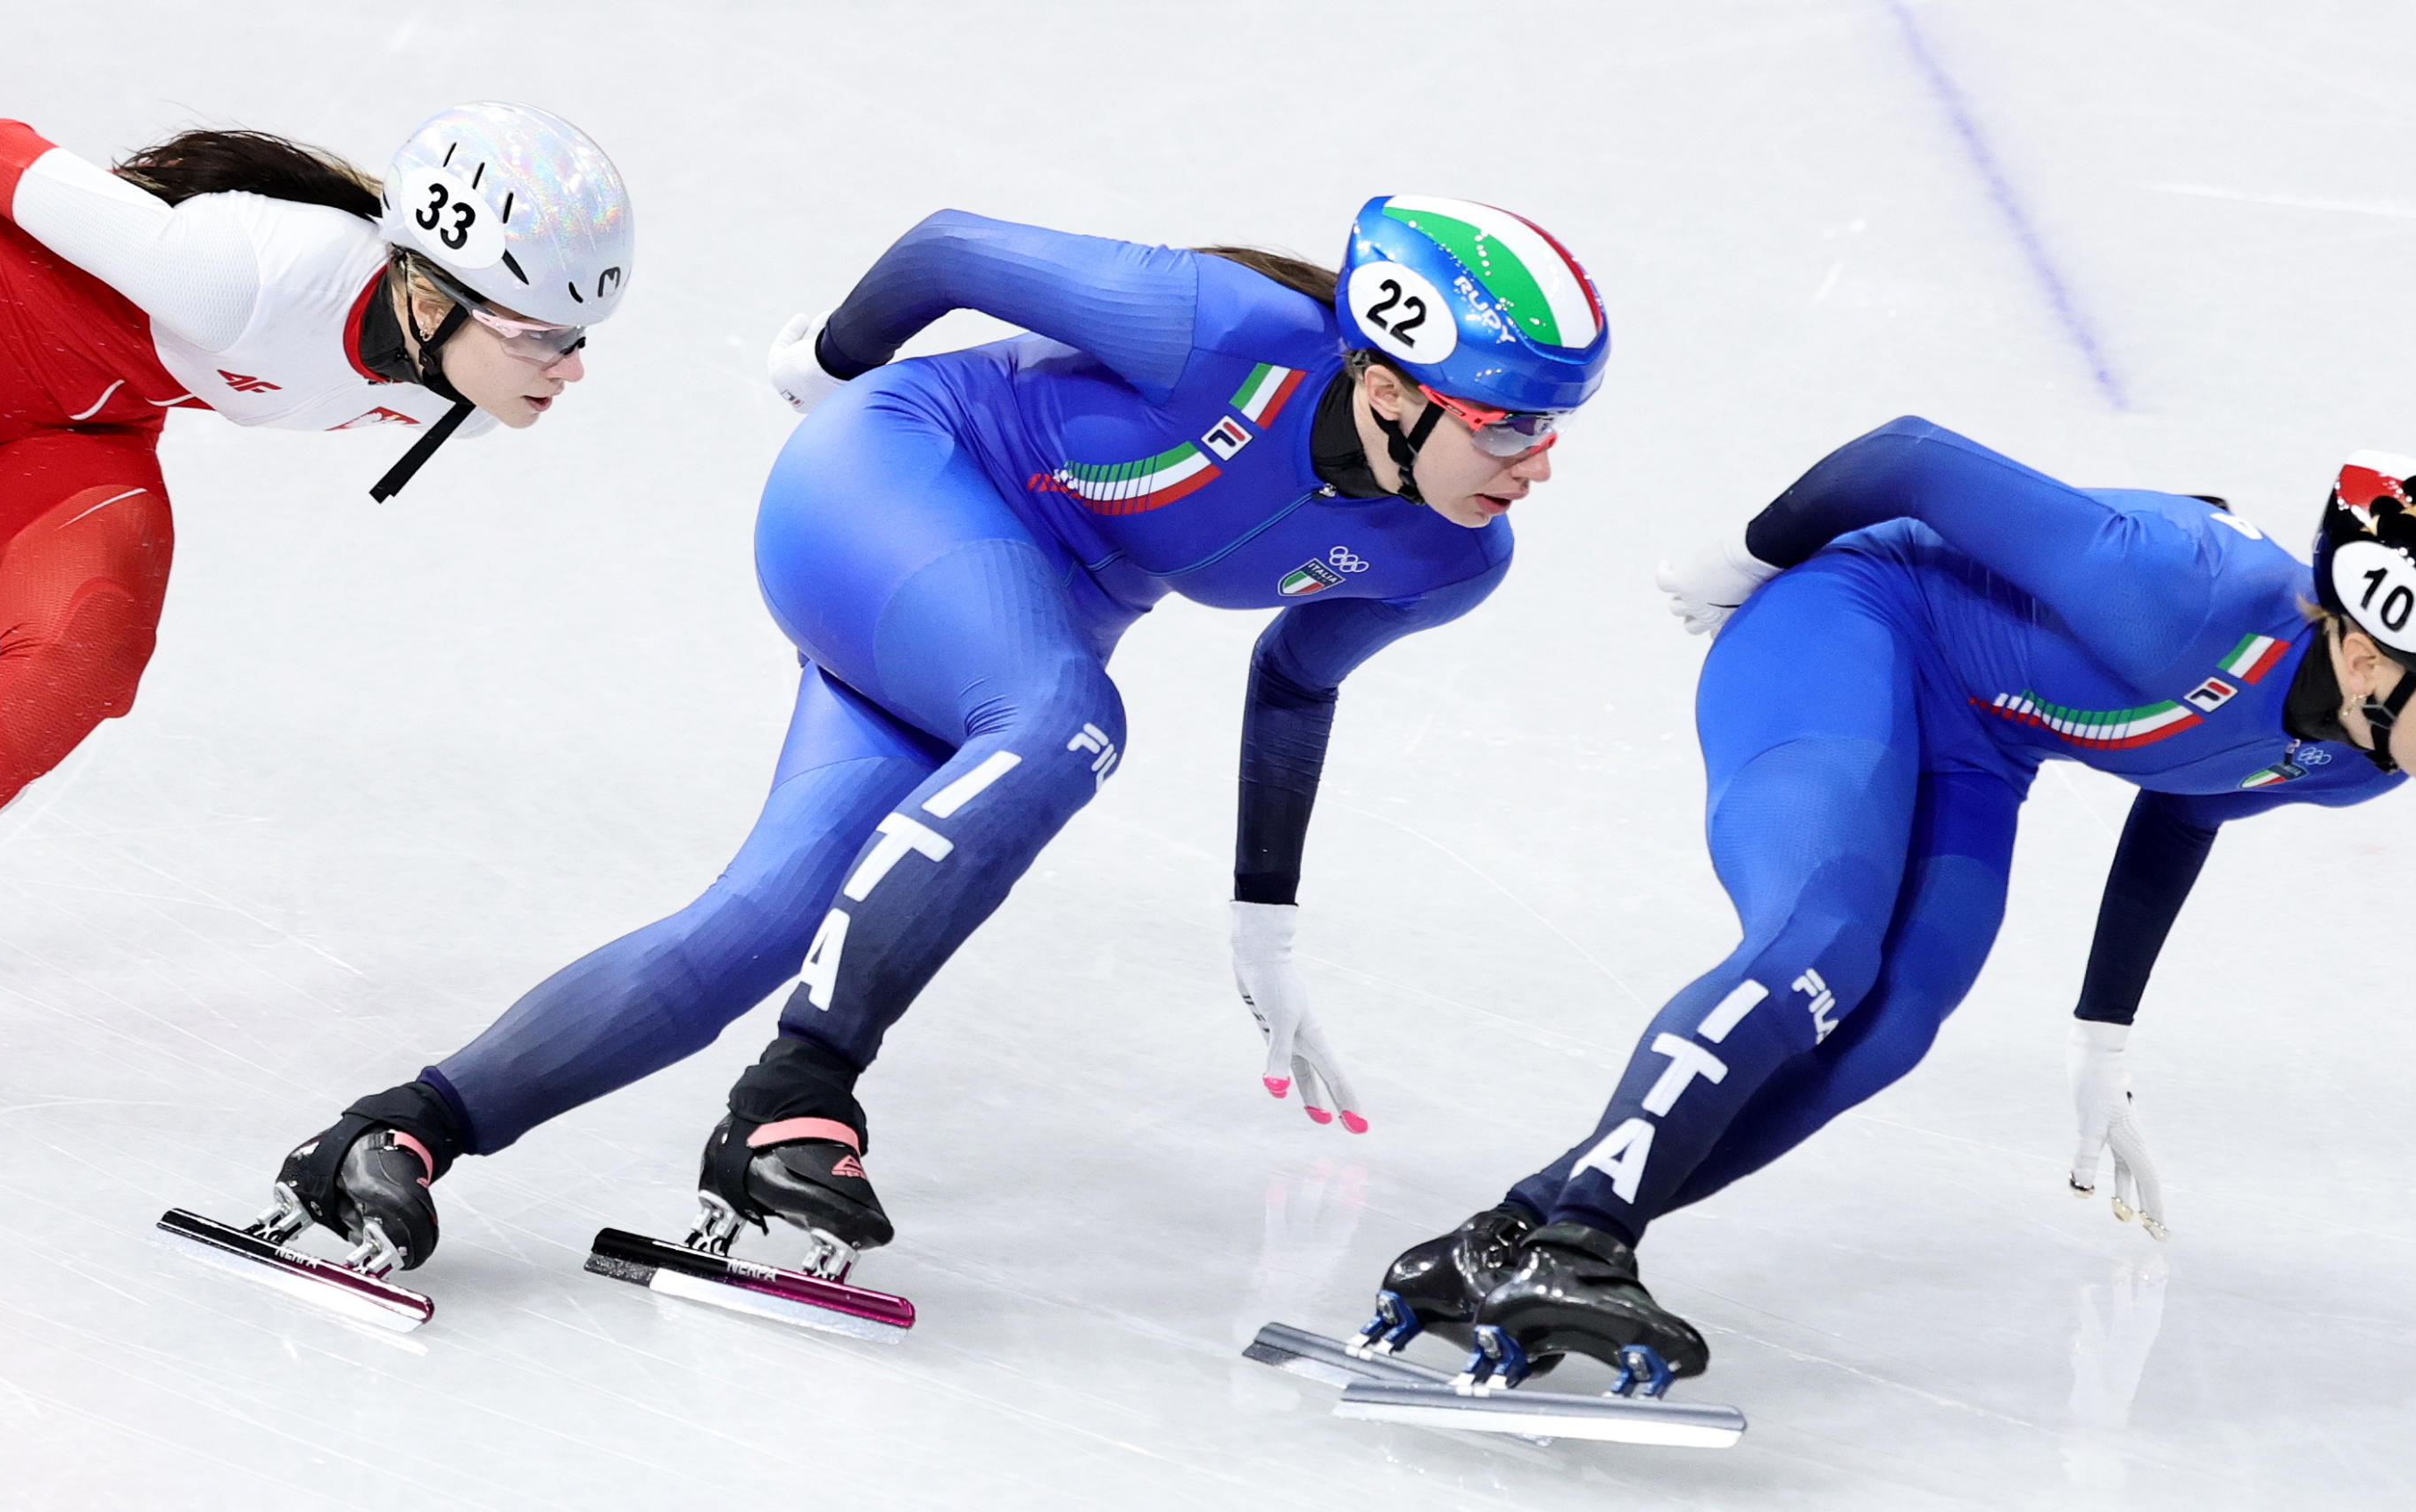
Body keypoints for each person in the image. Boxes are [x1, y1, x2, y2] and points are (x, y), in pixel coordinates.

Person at [261, 196, 1610, 1286]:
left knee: (762, 923)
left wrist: (1265, 918)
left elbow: (1297, 685)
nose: (1538, 461)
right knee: (1072, 722)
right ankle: (799, 1092)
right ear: (1388, 385)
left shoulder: (1450, 557)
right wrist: (830, 363)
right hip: (898, 477)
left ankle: (397, 1131)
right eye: (1511, 421)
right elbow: (950, 247)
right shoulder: (1223, 326)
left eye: (1557, 423)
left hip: (1008, 633)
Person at [1372, 418, 2416, 1380]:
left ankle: (1515, 1236)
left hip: (1983, 741)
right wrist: (1744, 557)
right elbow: (1913, 457)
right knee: (1821, 945)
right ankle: (1586, 1239)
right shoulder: (2181, 588)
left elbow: (2188, 802)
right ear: (2367, 653)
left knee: (1894, 1021)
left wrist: (2104, 1032)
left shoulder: (2357, 756)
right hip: (1850, 622)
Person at [0, 103, 632, 893]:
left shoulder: (460, 403)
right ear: (434, 304)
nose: (570, 366)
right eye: (541, 334)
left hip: (68, 427)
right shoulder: (246, 272)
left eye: (579, 333)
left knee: (84, 658)